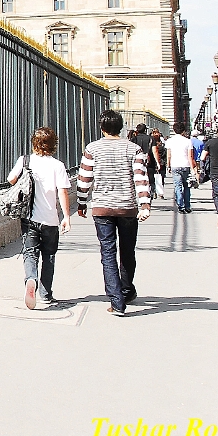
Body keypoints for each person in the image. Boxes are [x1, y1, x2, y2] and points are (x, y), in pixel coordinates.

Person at [77, 109, 151, 316]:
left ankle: (116, 300)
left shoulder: (92, 148)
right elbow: (141, 179)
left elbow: (84, 180)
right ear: (121, 127)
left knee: (108, 253)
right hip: (127, 207)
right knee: (127, 251)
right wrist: (144, 205)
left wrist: (81, 203)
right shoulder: (134, 149)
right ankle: (126, 290)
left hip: (102, 207)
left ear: (101, 127)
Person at [6, 127, 72, 309]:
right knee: (49, 256)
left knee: (30, 253)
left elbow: (11, 179)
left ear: (34, 143)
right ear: (53, 144)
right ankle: (46, 294)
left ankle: (31, 279)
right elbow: (63, 192)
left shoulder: (25, 160)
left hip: (29, 218)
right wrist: (66, 216)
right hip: (50, 220)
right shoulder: (57, 165)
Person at [164, 122, 197, 213]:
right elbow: (190, 156)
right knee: (187, 186)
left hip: (175, 165)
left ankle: (180, 206)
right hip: (186, 165)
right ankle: (187, 206)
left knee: (178, 186)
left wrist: (168, 165)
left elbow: (169, 155)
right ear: (183, 131)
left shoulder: (170, 141)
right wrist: (193, 168)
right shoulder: (188, 141)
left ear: (174, 130)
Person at [132, 124, 161, 199]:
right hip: (149, 162)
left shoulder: (134, 139)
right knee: (150, 178)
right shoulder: (151, 138)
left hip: (137, 161)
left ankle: (139, 193)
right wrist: (158, 162)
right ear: (145, 130)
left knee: (137, 177)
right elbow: (155, 151)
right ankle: (151, 192)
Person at [150, 129, 168, 200]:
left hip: (161, 163)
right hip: (153, 163)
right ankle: (154, 191)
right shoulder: (150, 143)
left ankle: (160, 192)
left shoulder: (162, 143)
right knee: (152, 178)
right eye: (154, 133)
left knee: (161, 178)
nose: (156, 134)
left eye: (157, 133)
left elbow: (165, 153)